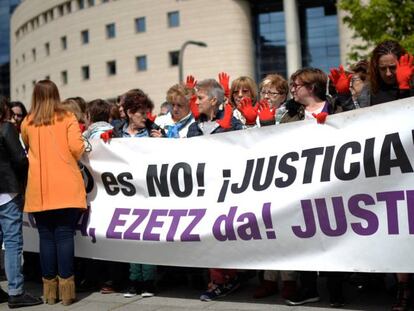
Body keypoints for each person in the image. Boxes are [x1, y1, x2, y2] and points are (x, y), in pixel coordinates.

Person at [281, 68, 344, 308]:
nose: (293, 88)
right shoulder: (291, 115)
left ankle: (336, 290)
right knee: (304, 237)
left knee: (335, 235)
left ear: (312, 87)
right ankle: (308, 288)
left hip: (332, 184)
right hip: (300, 185)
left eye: (297, 84)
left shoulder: (336, 109)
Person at [20, 80, 86, 306]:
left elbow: (28, 148)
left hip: (39, 189)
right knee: (65, 235)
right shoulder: (67, 117)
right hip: (66, 185)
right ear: (56, 94)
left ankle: (49, 293)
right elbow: (77, 148)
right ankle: (67, 293)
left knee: (46, 238)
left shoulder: (27, 122)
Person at [187, 79, 242, 301]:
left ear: (213, 100)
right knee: (209, 234)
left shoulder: (231, 123)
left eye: (199, 98)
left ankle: (224, 278)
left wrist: (232, 133)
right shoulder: (194, 126)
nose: (196, 102)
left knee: (222, 234)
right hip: (203, 189)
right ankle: (219, 278)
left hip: (225, 188)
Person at [112, 89, 158, 298]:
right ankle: (134, 279)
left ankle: (148, 280)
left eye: (147, 113)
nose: (146, 117)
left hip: (148, 192)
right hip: (125, 193)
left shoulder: (153, 132)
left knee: (147, 235)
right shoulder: (116, 133)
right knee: (130, 234)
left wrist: (162, 142)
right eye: (141, 113)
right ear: (130, 113)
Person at [0, 96, 43, 308]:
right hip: (7, 191)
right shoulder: (5, 129)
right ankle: (16, 291)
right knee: (13, 242)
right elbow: (19, 159)